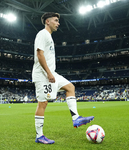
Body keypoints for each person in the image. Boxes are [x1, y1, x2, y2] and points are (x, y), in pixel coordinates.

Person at [32, 12, 94, 144]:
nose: (58, 23)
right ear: (47, 21)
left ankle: (76, 118)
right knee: (43, 103)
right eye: (55, 20)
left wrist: (51, 73)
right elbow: (39, 54)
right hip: (43, 75)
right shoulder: (42, 34)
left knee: (70, 87)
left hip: (51, 73)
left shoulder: (48, 36)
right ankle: (39, 136)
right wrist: (49, 73)